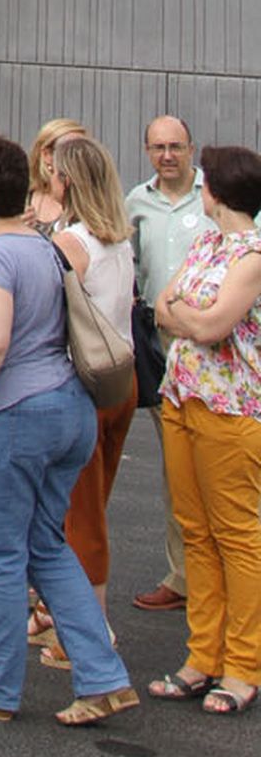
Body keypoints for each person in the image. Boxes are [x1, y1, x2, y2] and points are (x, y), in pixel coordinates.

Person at [0, 132, 137, 725]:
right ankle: (101, 675)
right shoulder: (44, 247)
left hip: (9, 417)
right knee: (47, 544)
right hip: (66, 409)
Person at [149, 143, 261, 715]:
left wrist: (189, 318)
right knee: (195, 530)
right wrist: (191, 318)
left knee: (236, 536)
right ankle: (203, 656)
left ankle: (242, 666)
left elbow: (213, 323)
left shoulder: (254, 254)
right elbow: (162, 304)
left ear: (220, 190)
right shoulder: (209, 242)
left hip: (231, 409)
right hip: (182, 398)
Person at [40, 133, 137, 657]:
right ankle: (62, 612)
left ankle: (91, 630)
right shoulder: (118, 238)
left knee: (80, 513)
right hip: (122, 379)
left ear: (67, 181)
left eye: (54, 171)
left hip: (86, 385)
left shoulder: (70, 244)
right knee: (88, 504)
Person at [127, 114, 213, 612]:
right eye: (158, 147)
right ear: (147, 150)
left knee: (225, 467)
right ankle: (183, 576)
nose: (167, 155)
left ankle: (232, 575)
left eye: (176, 146)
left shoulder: (214, 197)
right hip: (163, 346)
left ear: (191, 148)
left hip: (217, 341)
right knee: (177, 468)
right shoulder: (137, 202)